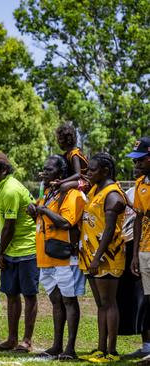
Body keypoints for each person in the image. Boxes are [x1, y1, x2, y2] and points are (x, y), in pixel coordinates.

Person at [27, 155, 86, 360]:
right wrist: (34, 211)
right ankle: (56, 345)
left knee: (69, 301)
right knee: (55, 300)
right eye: (44, 169)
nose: (44, 173)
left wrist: (43, 210)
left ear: (61, 173)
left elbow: (66, 222)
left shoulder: (72, 194)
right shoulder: (48, 192)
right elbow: (42, 217)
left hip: (64, 256)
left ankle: (70, 348)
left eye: (49, 169)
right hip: (46, 256)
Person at [0, 152, 38, 353]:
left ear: (3, 169)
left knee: (29, 295)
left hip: (27, 248)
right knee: (11, 294)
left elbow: (10, 227)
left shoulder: (10, 189)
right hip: (11, 249)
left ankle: (27, 341)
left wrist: (0, 252)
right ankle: (12, 339)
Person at [78, 152, 127, 363]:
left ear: (105, 171)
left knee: (109, 303)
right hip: (90, 255)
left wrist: (97, 257)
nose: (88, 173)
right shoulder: (97, 190)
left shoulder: (113, 195)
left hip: (106, 257)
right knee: (100, 305)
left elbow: (108, 230)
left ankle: (112, 351)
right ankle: (100, 348)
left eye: (92, 170)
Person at [129, 137, 150, 361]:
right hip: (145, 249)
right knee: (147, 299)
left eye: (140, 160)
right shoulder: (140, 183)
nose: (136, 165)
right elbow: (138, 218)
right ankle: (147, 347)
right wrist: (134, 254)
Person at [54, 124, 89, 191]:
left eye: (60, 139)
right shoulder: (67, 154)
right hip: (78, 181)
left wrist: (62, 181)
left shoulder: (74, 154)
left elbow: (77, 175)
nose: (58, 141)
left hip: (85, 182)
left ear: (68, 140)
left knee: (64, 186)